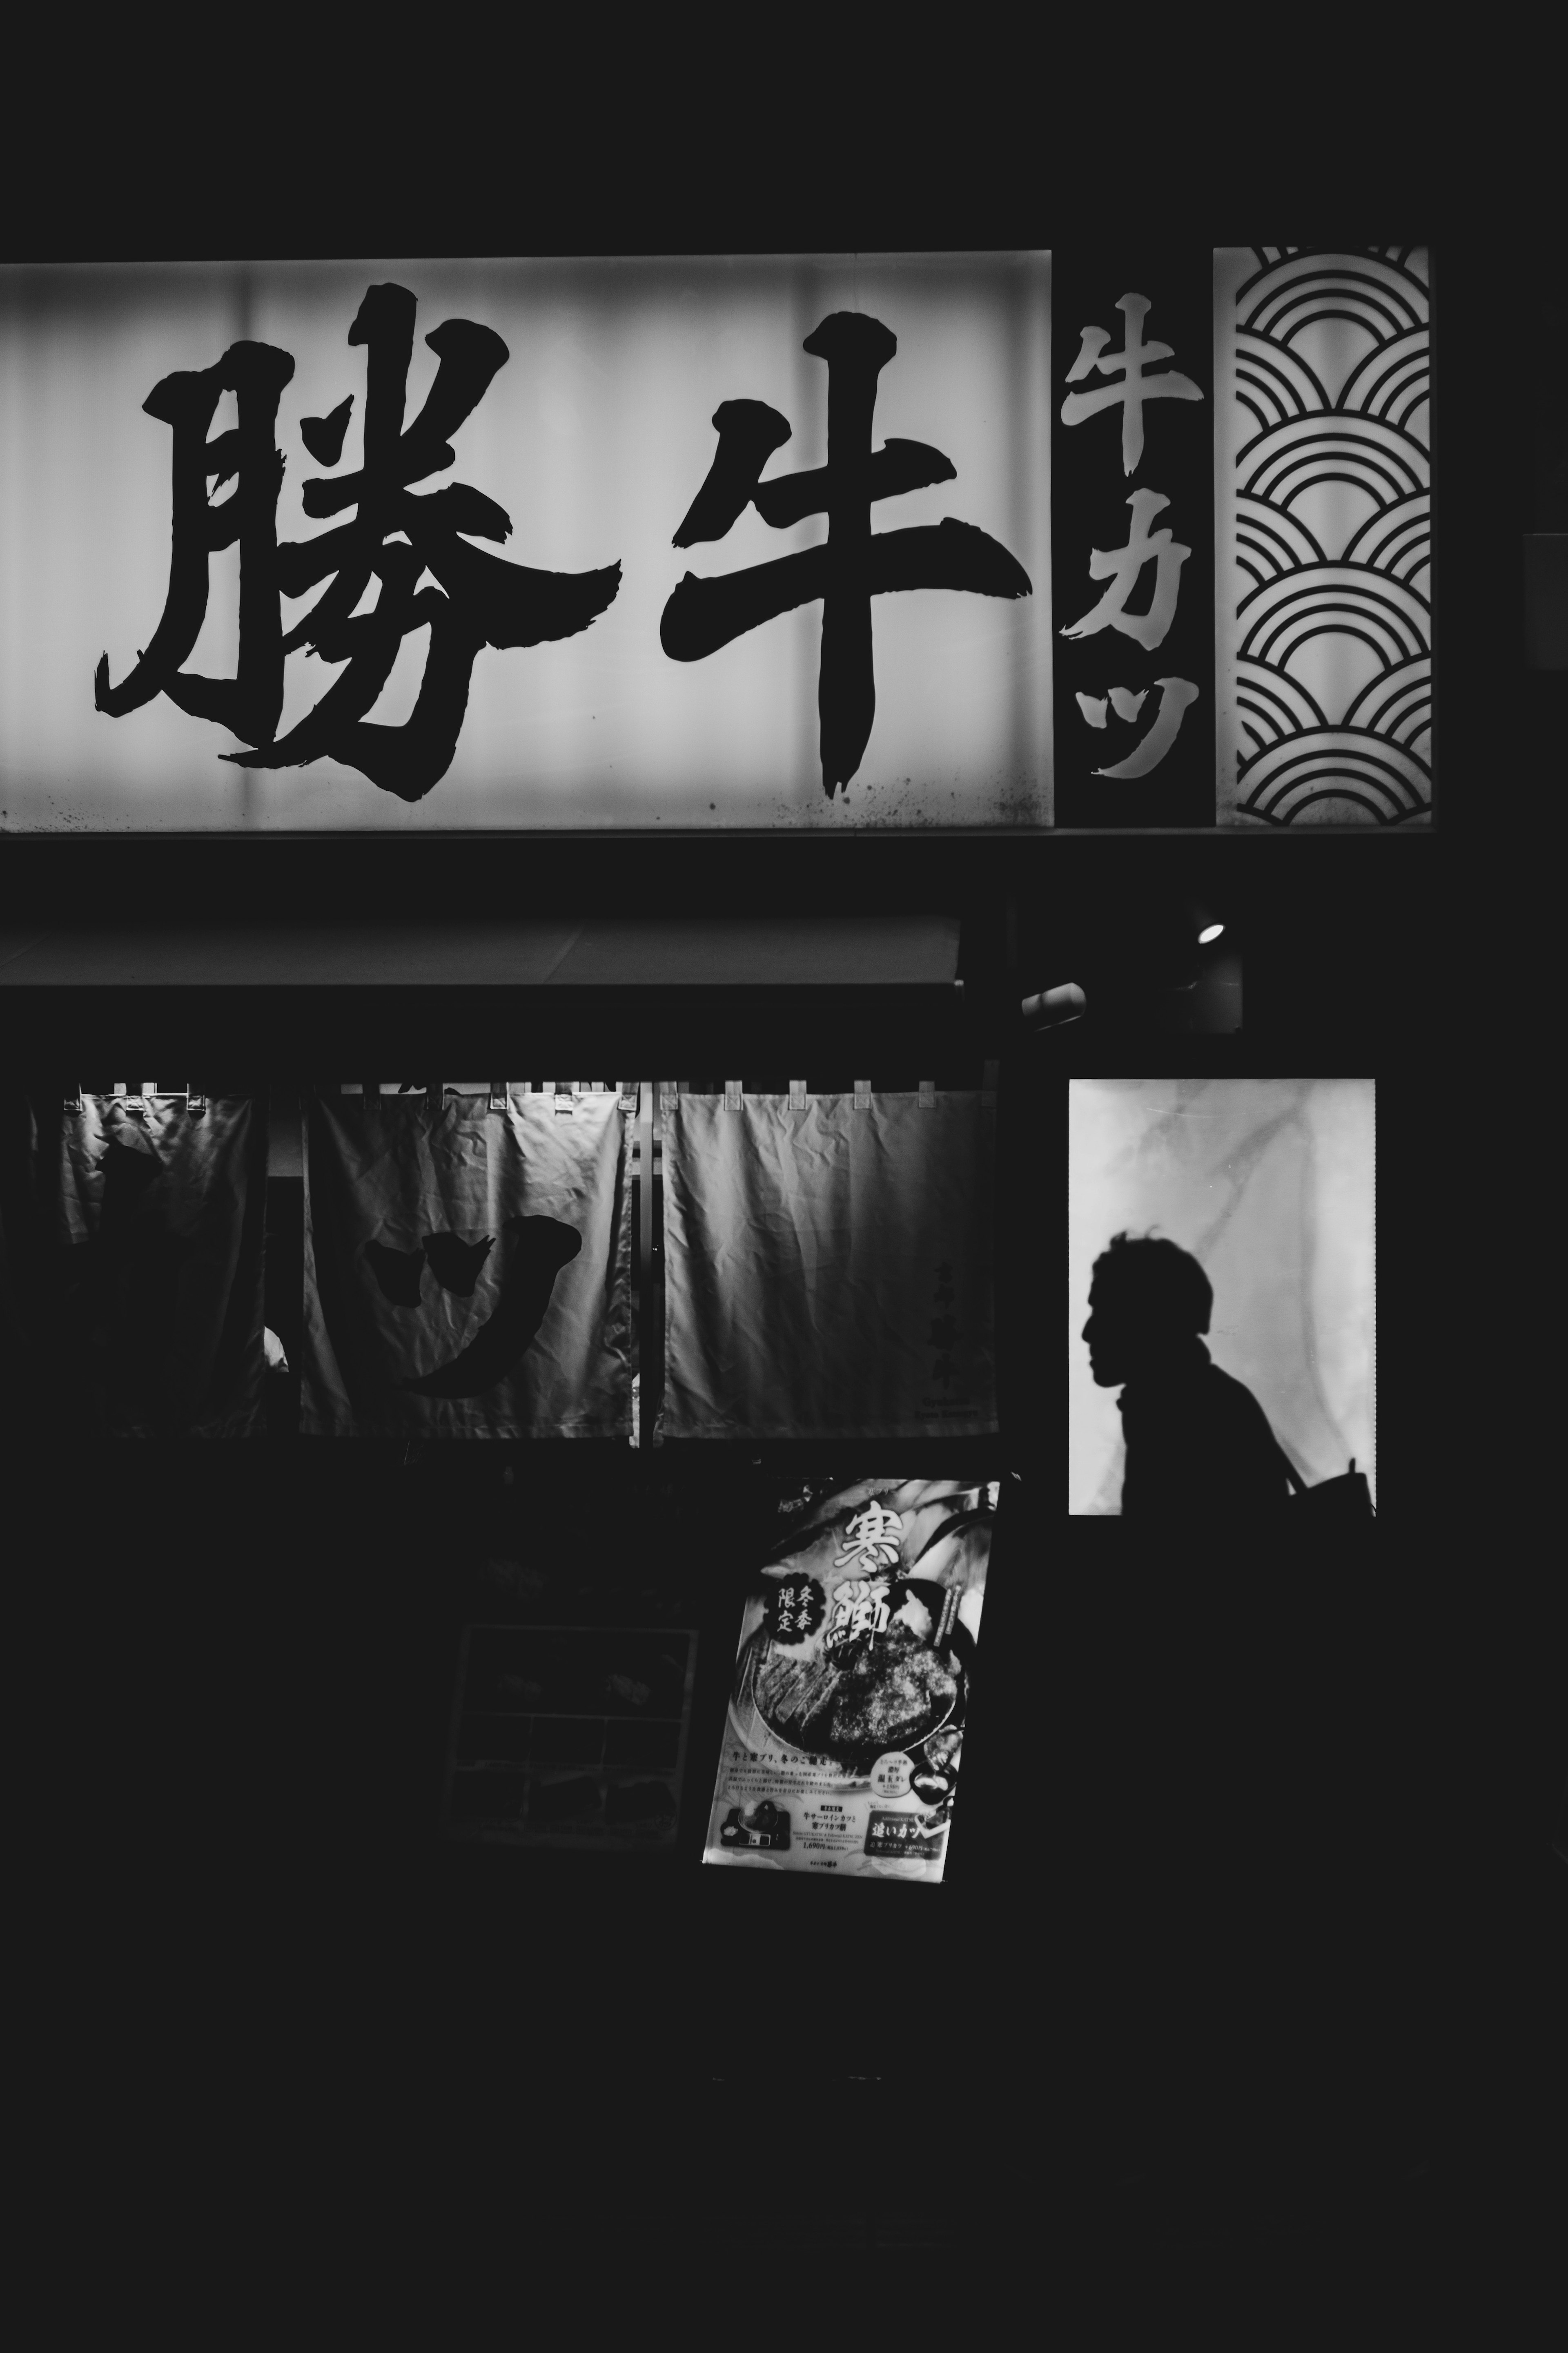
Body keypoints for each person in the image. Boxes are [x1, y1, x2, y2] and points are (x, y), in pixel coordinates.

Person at [1082, 1232, 1291, 1522]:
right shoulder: (1205, 1400)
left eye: (1104, 1311)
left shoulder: (1176, 1415)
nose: (1088, 1332)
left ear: (1148, 1318)